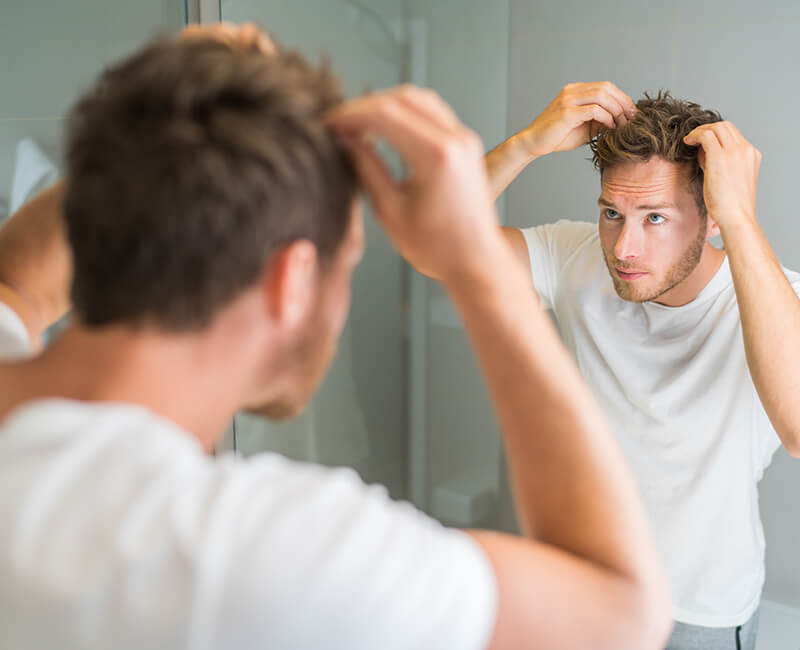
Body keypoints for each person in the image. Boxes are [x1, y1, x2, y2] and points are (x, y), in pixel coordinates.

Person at [0, 25, 670, 650]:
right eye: (347, 258)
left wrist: (176, 118)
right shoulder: (251, 555)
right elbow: (622, 610)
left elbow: (17, 282)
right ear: (291, 279)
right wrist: (472, 260)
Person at [487, 81, 800, 649]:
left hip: (697, 615)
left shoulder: (776, 299)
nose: (623, 248)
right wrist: (525, 145)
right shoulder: (575, 258)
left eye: (654, 218)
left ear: (710, 220)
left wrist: (741, 219)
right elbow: (434, 246)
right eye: (612, 212)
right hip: (582, 591)